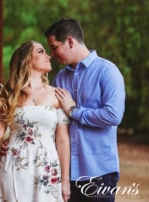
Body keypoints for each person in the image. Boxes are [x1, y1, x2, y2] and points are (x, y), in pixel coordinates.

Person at [0, 40, 71, 202]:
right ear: (27, 59)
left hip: (46, 167)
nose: (48, 56)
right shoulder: (10, 94)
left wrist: (65, 180)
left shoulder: (57, 95)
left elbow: (62, 140)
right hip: (14, 165)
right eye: (41, 52)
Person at [44, 18, 126, 202]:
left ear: (70, 41)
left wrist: (74, 111)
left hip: (99, 172)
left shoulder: (107, 72)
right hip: (65, 173)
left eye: (54, 47)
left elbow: (113, 115)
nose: (52, 54)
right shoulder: (59, 79)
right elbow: (50, 120)